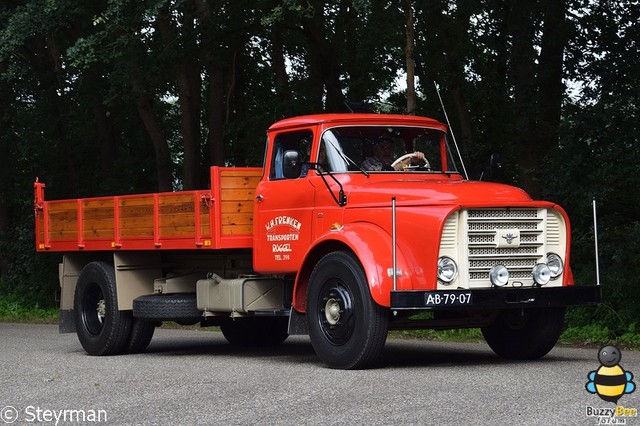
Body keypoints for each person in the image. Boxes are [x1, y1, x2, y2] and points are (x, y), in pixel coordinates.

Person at [361, 136, 425, 171]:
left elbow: (408, 171)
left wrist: (417, 157)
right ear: (376, 149)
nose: (387, 150)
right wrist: (409, 160)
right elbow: (384, 173)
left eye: (390, 148)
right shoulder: (369, 162)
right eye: (383, 147)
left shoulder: (395, 161)